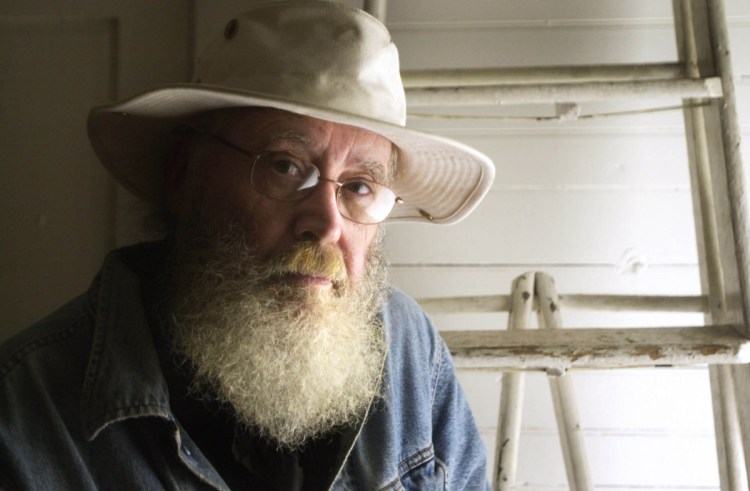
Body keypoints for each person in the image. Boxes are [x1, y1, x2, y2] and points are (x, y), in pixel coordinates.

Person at [0, 2, 495, 490]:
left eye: (360, 186)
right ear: (183, 174)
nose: (325, 226)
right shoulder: (25, 416)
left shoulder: (409, 347)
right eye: (285, 165)